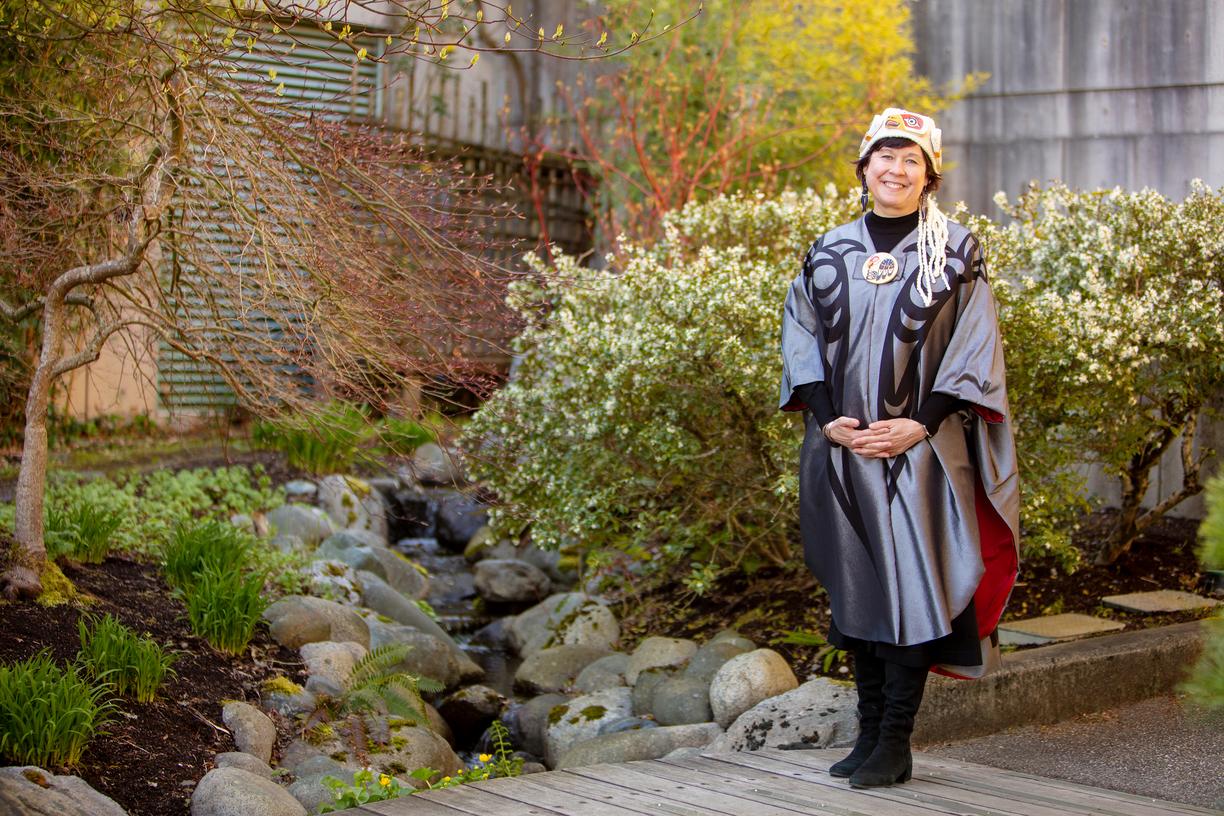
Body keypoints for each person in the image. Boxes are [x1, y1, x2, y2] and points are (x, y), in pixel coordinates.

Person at [777, 108, 1020, 788]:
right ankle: (867, 735)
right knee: (857, 585)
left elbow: (977, 344)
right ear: (863, 168)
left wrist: (923, 421)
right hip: (846, 450)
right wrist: (828, 420)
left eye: (911, 158)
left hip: (921, 452)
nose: (895, 168)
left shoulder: (956, 251)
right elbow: (802, 336)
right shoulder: (827, 252)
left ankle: (896, 741)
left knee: (914, 587)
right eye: (884, 155)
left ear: (929, 175)